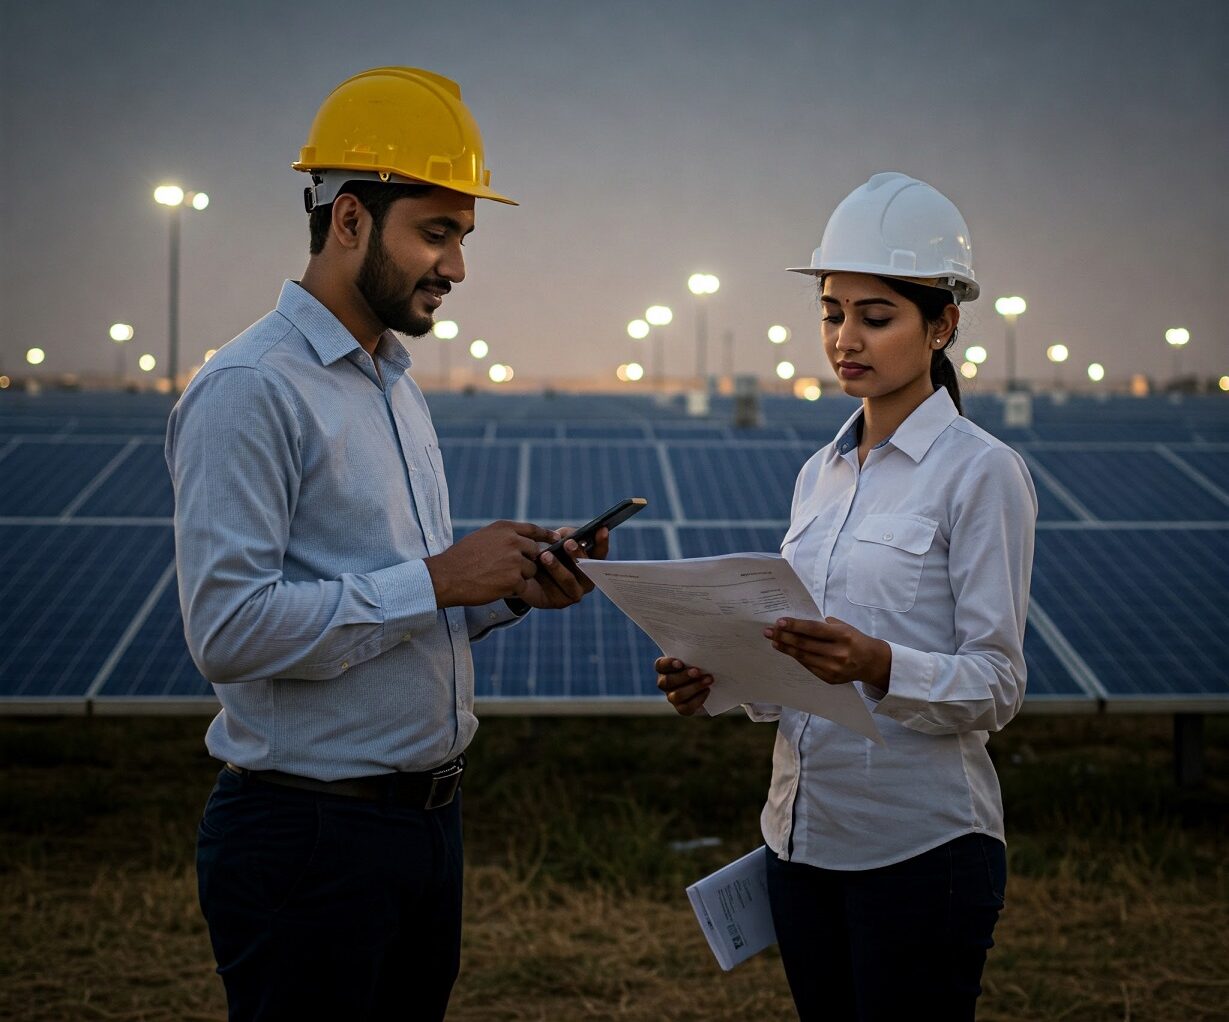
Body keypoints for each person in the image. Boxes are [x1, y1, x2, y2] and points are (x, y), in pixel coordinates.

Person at [165, 67, 606, 1021]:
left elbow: (401, 599)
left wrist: (507, 590)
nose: (457, 267)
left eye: (463, 238)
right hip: (309, 838)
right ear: (351, 219)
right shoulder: (251, 388)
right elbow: (228, 632)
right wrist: (441, 578)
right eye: (437, 233)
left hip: (423, 829)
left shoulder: (391, 383)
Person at [656, 172, 1036, 1021]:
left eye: (876, 316)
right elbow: (795, 671)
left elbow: (997, 686)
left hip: (920, 852)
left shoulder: (982, 475)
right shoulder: (817, 475)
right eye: (832, 313)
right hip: (796, 845)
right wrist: (720, 679)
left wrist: (880, 665)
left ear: (941, 325)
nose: (844, 339)